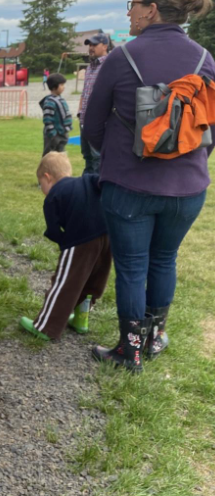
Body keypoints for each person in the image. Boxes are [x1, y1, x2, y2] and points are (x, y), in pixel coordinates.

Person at [84, 0, 214, 372]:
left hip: (129, 185)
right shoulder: (204, 58)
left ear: (151, 8)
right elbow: (210, 124)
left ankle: (131, 350)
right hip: (187, 189)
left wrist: (114, 154)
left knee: (131, 268)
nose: (129, 13)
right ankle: (155, 338)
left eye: (132, 5)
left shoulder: (123, 57)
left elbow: (92, 124)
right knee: (164, 259)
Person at [19, 152, 111, 341]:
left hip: (79, 240)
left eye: (40, 184)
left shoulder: (53, 196)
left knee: (65, 283)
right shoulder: (86, 181)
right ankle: (80, 318)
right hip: (108, 236)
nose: (42, 189)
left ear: (47, 177)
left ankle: (45, 327)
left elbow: (53, 230)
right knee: (94, 280)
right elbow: (102, 184)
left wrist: (65, 244)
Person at [78, 33, 110, 175]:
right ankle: (87, 190)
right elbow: (85, 92)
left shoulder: (110, 65)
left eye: (94, 45)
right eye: (89, 45)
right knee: (87, 157)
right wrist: (80, 113)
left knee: (97, 158)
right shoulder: (90, 67)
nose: (91, 48)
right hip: (84, 120)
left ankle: (97, 191)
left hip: (98, 122)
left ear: (105, 46)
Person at [40, 73, 72, 156]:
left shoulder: (60, 99)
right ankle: (47, 169)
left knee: (60, 157)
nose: (63, 87)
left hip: (62, 134)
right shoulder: (50, 102)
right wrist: (53, 134)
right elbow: (47, 119)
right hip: (54, 136)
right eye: (61, 85)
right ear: (54, 87)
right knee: (49, 157)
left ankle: (59, 169)